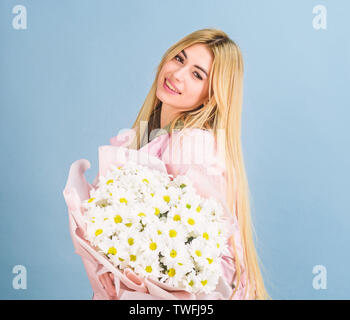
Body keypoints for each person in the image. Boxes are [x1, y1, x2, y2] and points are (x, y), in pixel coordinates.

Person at [107, 28, 269, 299]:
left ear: (211, 94)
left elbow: (212, 257)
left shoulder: (191, 146)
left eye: (197, 74)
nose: (177, 74)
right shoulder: (155, 136)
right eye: (179, 59)